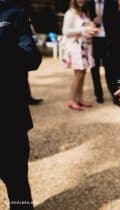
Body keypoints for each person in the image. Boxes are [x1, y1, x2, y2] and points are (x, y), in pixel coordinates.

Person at [0, 0, 42, 209]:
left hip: (8, 115)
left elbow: (32, 59)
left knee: (17, 185)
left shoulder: (15, 13)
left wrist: (4, 47)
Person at [61, 0, 98, 111]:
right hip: (75, 47)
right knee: (78, 74)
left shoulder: (84, 12)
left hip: (84, 47)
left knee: (82, 74)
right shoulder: (70, 13)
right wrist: (83, 29)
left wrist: (91, 30)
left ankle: (80, 99)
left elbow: (84, 29)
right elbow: (65, 31)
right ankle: (72, 101)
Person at [88, 0, 108, 104]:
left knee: (109, 68)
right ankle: (98, 94)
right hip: (93, 40)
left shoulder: (110, 3)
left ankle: (113, 92)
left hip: (107, 40)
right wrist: (92, 21)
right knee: (94, 69)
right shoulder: (89, 3)